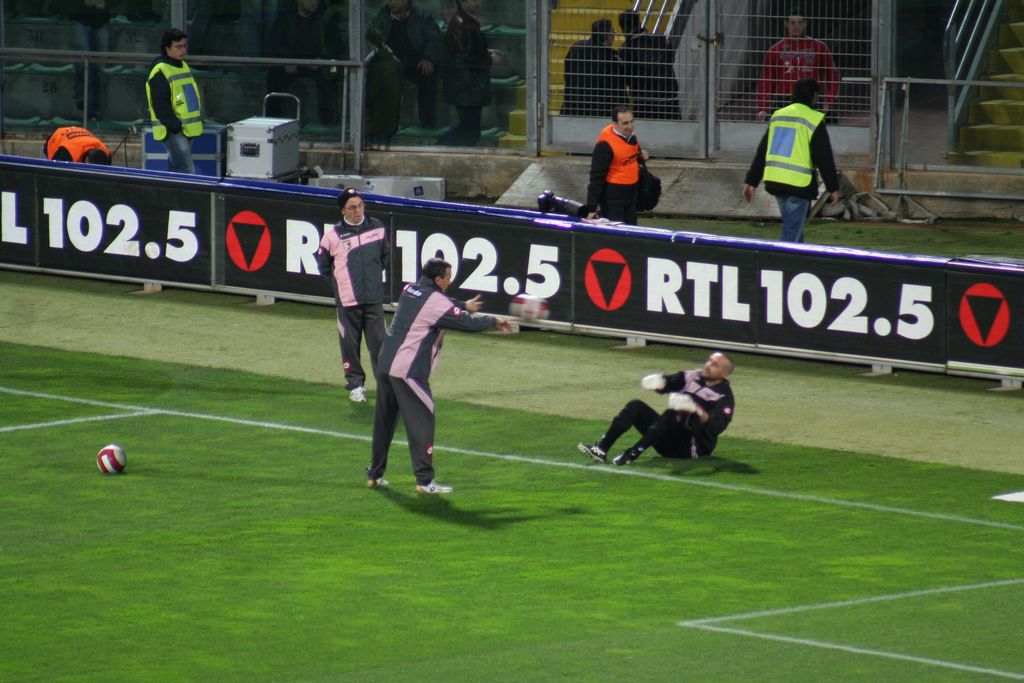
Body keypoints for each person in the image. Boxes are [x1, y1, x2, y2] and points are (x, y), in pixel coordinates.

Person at [366, 258, 514, 493]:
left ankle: (374, 475)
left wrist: (462, 304)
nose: (450, 281)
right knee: (424, 420)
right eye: (448, 277)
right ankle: (424, 482)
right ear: (438, 279)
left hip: (386, 363)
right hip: (407, 370)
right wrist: (493, 320)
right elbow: (465, 323)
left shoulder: (410, 289)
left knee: (384, 421)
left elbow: (437, 302)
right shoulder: (436, 302)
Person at [577, 352, 735, 466]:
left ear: (724, 373)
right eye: (709, 361)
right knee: (635, 406)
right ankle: (601, 448)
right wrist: (660, 382)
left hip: (692, 448)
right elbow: (672, 382)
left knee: (673, 414)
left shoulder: (724, 397)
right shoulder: (694, 376)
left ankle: (632, 453)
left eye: (714, 365)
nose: (708, 365)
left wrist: (696, 410)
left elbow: (716, 427)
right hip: (666, 437)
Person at [743, 77, 839, 243]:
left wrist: (752, 180)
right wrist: (833, 187)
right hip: (798, 184)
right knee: (791, 235)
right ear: (814, 96)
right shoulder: (814, 119)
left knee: (794, 229)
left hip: (775, 180)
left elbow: (763, 150)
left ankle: (798, 258)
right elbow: (824, 156)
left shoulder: (778, 115)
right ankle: (782, 260)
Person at [316, 189, 390, 403]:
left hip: (373, 299)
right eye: (352, 207)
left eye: (360, 206)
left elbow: (385, 258)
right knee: (349, 345)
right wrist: (340, 286)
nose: (358, 211)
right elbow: (324, 267)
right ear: (343, 211)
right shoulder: (332, 236)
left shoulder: (377, 227)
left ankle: (385, 387)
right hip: (347, 302)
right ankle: (356, 386)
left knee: (380, 345)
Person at [755, 8, 839, 122]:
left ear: (805, 23)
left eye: (800, 22)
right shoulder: (775, 50)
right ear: (786, 24)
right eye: (792, 22)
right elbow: (766, 80)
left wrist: (828, 101)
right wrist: (763, 107)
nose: (796, 26)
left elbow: (833, 76)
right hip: (784, 101)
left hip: (811, 100)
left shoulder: (819, 47)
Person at [373, 0, 444, 130]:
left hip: (416, 62)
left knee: (428, 76)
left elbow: (434, 39)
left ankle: (427, 124)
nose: (391, 3)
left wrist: (428, 58)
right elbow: (371, 38)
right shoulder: (381, 16)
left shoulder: (422, 17)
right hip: (391, 62)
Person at [266, 0, 337, 125]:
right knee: (274, 74)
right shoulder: (285, 19)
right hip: (291, 64)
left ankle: (327, 121)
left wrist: (322, 59)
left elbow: (335, 45)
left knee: (330, 74)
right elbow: (275, 43)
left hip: (315, 65)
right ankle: (273, 122)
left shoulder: (324, 20)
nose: (313, 2)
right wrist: (286, 60)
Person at [145, 28, 204, 175]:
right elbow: (160, 104)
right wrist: (175, 127)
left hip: (184, 129)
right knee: (187, 171)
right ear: (167, 48)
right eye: (178, 47)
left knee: (177, 171)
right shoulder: (161, 70)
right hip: (173, 130)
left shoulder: (182, 65)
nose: (183, 50)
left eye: (184, 46)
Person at [438, 0, 496, 147]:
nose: (478, 2)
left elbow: (465, 52)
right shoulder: (462, 23)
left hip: (466, 85)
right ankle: (442, 147)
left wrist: (485, 53)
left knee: (469, 128)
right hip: (467, 86)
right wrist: (490, 59)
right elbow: (465, 58)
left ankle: (443, 147)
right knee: (470, 130)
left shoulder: (465, 20)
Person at [585, 105, 649, 225]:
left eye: (632, 121)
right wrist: (591, 208)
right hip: (613, 197)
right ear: (615, 124)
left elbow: (626, 156)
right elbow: (596, 177)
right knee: (615, 231)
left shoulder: (630, 135)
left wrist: (640, 157)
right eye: (625, 123)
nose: (630, 126)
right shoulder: (604, 145)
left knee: (631, 229)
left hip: (631, 193)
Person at [617, 10, 679, 121]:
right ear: (640, 23)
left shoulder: (624, 51)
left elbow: (624, 78)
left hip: (644, 103)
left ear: (623, 29)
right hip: (668, 98)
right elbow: (670, 60)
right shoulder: (661, 40)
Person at [560, 19, 625, 117]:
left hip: (572, 107)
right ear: (608, 36)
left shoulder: (576, 48)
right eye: (613, 32)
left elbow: (567, 74)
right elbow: (618, 86)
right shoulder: (611, 58)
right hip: (598, 111)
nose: (614, 35)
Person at [59, 0, 111, 120]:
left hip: (101, 20)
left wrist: (105, 3)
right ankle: (82, 106)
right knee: (82, 65)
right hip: (80, 18)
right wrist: (84, 3)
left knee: (100, 69)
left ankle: (96, 109)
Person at [364, 27, 404, 148]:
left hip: (378, 122)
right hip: (382, 121)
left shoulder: (380, 64)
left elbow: (370, 94)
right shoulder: (388, 61)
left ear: (369, 44)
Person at [44, 126, 111, 164]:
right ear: (87, 160)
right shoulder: (67, 153)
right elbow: (56, 171)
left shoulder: (107, 154)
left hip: (76, 136)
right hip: (55, 139)